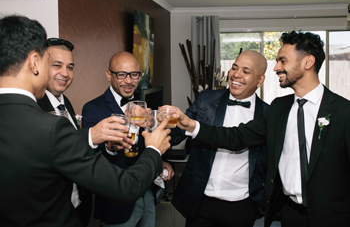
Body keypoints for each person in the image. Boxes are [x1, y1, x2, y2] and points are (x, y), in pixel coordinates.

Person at [0, 15, 171, 227]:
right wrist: (154, 150)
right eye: (51, 63)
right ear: (35, 62)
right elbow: (124, 187)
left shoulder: (61, 108)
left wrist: (92, 136)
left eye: (70, 67)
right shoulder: (51, 125)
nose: (64, 73)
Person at [173, 31, 350, 227]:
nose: (276, 67)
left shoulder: (344, 111)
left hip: (332, 218)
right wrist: (192, 126)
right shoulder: (279, 108)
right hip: (288, 215)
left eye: (283, 61)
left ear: (308, 62)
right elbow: (237, 137)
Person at [169, 50, 269, 227]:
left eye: (246, 71)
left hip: (242, 206)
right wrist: (156, 124)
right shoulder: (206, 100)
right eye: (234, 68)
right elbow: (179, 132)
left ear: (260, 80)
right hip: (200, 200)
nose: (236, 75)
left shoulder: (268, 114)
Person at [82, 51, 174, 227]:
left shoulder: (142, 104)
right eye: (122, 74)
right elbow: (88, 155)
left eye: (134, 75)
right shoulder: (93, 108)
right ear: (109, 74)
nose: (129, 80)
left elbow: (144, 143)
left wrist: (157, 161)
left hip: (146, 191)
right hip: (117, 202)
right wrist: (109, 147)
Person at [37, 38, 92, 226]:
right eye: (57, 65)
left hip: (77, 208)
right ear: (40, 66)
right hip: (51, 214)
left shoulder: (64, 101)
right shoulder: (33, 107)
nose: (65, 73)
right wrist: (92, 136)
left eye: (70, 67)